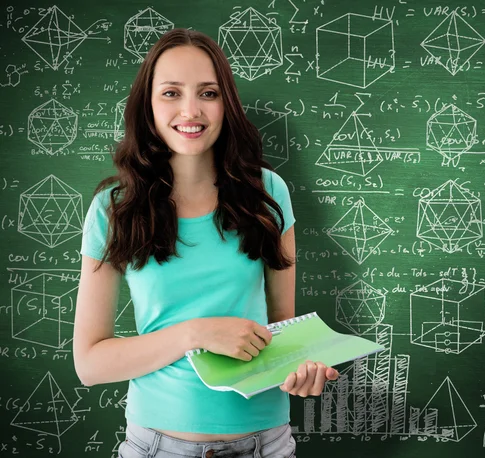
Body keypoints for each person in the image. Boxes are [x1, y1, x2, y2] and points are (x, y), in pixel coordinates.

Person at [73, 28, 338, 458]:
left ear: (226, 103)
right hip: (155, 446)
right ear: (148, 106)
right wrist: (196, 333)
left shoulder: (268, 194)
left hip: (265, 444)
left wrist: (302, 369)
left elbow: (284, 329)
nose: (190, 110)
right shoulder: (113, 209)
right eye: (171, 93)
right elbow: (90, 364)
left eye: (208, 93)